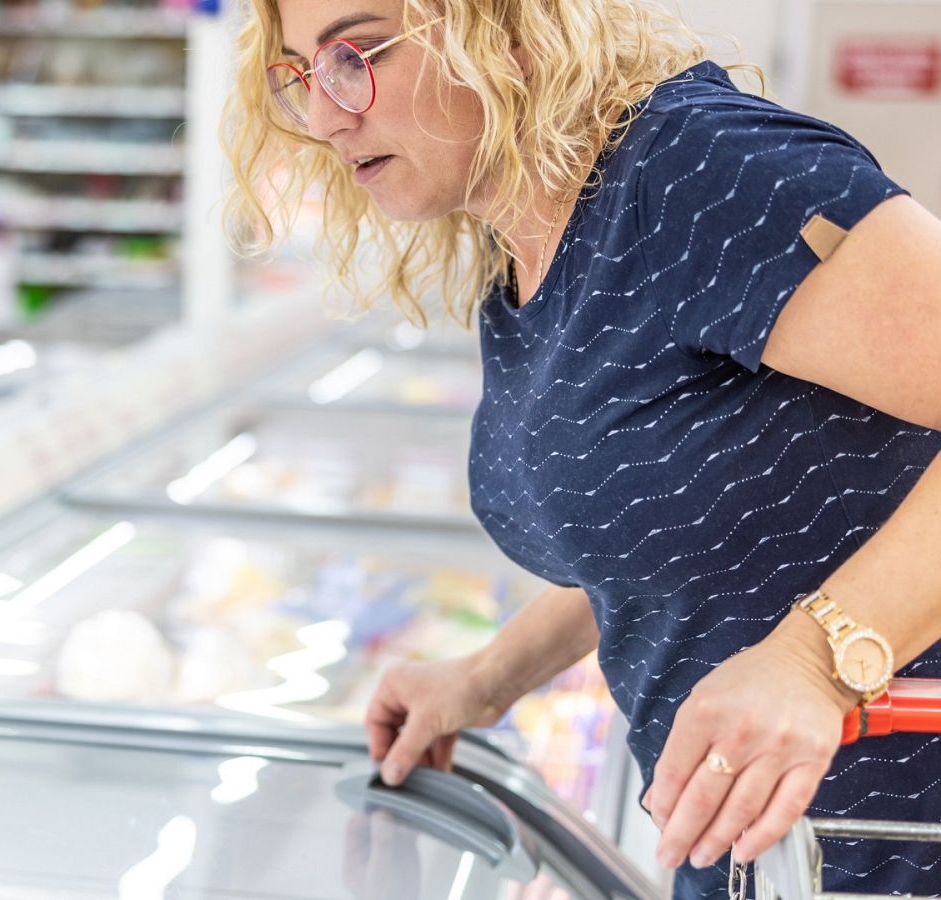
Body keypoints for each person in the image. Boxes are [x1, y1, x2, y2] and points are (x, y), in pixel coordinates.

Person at [222, 1, 941, 896]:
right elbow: (668, 523)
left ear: (506, 31)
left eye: (358, 54)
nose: (326, 114)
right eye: (300, 73)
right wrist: (487, 678)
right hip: (764, 848)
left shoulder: (704, 171)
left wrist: (817, 662)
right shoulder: (529, 232)